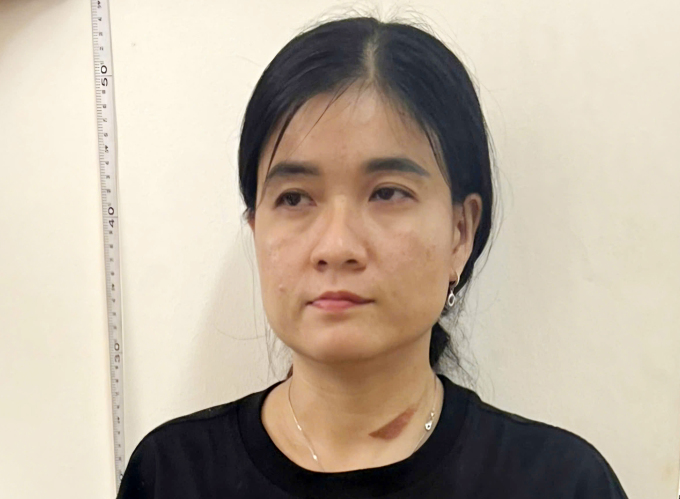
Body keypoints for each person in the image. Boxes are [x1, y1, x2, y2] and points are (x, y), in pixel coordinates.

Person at [117, 15, 629, 498]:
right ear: (256, 230)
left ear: (460, 233)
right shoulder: (171, 474)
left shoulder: (559, 483)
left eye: (387, 193)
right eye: (294, 198)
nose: (337, 247)